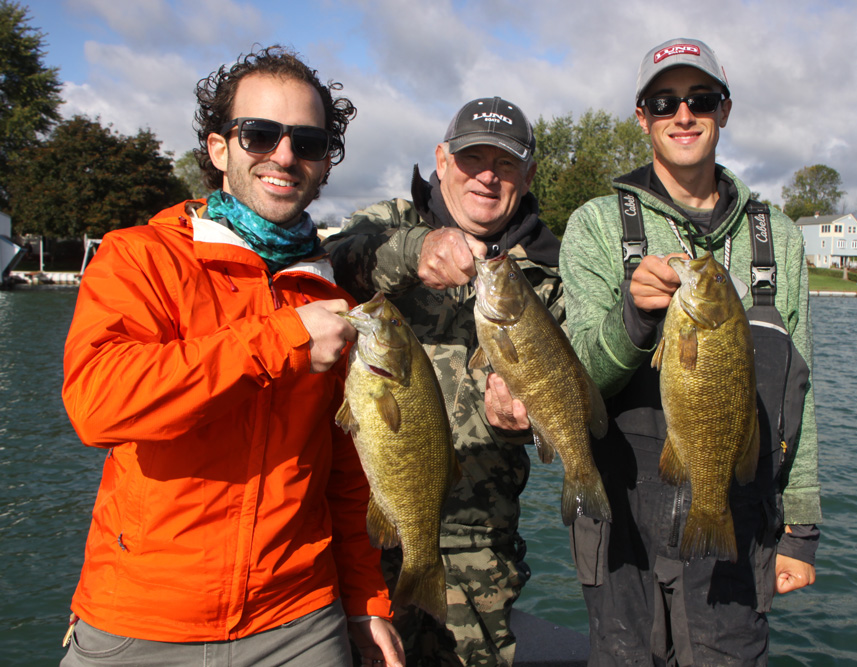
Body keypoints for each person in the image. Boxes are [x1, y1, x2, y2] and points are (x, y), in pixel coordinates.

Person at [60, 45, 403, 667]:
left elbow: (348, 478)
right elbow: (97, 402)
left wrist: (365, 601)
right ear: (219, 148)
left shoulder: (334, 297)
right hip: (141, 621)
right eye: (260, 134)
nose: (284, 156)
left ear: (326, 163)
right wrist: (281, 338)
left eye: (308, 142)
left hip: (301, 620)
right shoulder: (139, 257)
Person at [560, 38, 822, 666]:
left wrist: (802, 528)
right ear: (642, 116)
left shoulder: (778, 238)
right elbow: (576, 385)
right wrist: (634, 317)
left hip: (739, 525)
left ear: (723, 111)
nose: (683, 115)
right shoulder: (595, 225)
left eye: (700, 100)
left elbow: (801, 393)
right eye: (664, 101)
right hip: (622, 523)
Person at [323, 96, 561, 666]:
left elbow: (568, 388)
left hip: (481, 546)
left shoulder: (547, 277)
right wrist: (415, 250)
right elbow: (338, 262)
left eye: (504, 164)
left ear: (527, 175)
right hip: (360, 536)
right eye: (471, 158)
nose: (486, 175)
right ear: (441, 158)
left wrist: (530, 421)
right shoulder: (391, 223)